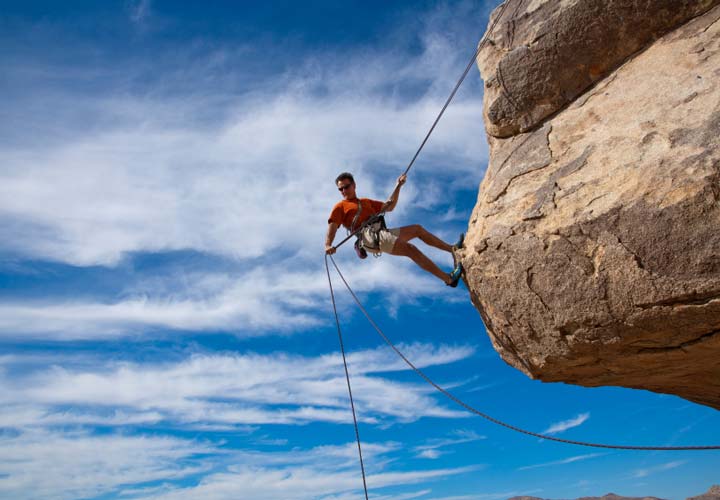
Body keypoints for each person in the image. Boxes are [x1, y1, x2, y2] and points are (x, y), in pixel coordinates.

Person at [325, 172, 464, 287]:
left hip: (381, 232)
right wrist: (328, 244)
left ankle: (451, 249)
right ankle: (449, 279)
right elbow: (332, 226)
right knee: (411, 249)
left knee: (417, 229)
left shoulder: (365, 202)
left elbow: (389, 206)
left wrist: (398, 186)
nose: (343, 191)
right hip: (369, 236)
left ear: (354, 185)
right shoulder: (340, 207)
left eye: (346, 187)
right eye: (340, 189)